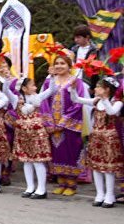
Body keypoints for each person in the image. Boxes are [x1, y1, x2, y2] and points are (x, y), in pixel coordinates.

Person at [39, 53, 89, 196]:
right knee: (56, 153)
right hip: (52, 125)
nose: (59, 66)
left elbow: (78, 103)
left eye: (63, 63)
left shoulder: (76, 82)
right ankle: (61, 182)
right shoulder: (49, 81)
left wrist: (62, 123)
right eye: (57, 63)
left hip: (69, 126)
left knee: (70, 152)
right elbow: (43, 101)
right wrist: (48, 122)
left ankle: (71, 184)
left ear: (69, 66)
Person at [70, 76, 123, 208]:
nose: (96, 89)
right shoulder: (96, 100)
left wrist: (104, 99)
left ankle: (109, 195)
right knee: (96, 167)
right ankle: (99, 194)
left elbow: (111, 112)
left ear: (107, 89)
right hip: (96, 137)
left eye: (99, 87)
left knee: (108, 168)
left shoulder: (117, 102)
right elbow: (76, 99)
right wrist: (73, 89)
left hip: (109, 138)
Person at [6, 77, 55, 199]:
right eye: (32, 85)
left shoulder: (37, 97)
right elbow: (5, 90)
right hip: (23, 133)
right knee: (26, 161)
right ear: (23, 88)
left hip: (37, 133)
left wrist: (52, 77)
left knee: (37, 161)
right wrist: (5, 78)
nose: (35, 87)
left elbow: (52, 89)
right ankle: (30, 187)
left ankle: (41, 189)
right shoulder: (16, 99)